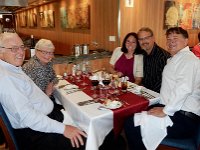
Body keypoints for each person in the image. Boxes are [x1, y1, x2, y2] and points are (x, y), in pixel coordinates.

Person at [0, 32, 87, 150]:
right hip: (35, 134)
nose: (21, 52)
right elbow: (28, 117)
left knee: (83, 121)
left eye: (22, 47)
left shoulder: (12, 68)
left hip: (43, 121)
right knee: (87, 138)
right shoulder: (7, 78)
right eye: (14, 49)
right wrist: (64, 128)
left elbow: (51, 78)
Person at [124, 27, 200, 150]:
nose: (171, 42)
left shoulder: (188, 59)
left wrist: (166, 111)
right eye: (168, 39)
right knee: (134, 116)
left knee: (131, 124)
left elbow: (184, 89)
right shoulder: (175, 59)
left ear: (186, 41)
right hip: (175, 111)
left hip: (184, 119)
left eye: (175, 38)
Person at [22, 39, 63, 110]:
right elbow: (39, 99)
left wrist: (50, 84)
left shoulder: (47, 63)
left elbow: (55, 78)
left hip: (44, 101)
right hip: (35, 108)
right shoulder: (35, 67)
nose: (48, 56)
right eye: (44, 52)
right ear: (36, 51)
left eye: (50, 53)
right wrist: (48, 92)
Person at [137, 27, 170, 93]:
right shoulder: (142, 54)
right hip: (143, 92)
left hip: (157, 96)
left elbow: (162, 83)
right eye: (141, 39)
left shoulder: (163, 57)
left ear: (153, 38)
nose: (143, 41)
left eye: (146, 38)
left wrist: (147, 95)